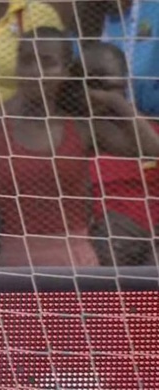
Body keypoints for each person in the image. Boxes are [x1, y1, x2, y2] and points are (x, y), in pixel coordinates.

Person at [0, 27, 159, 268]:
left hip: (81, 269)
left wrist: (114, 100)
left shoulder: (81, 128)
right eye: (26, 61)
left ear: (66, 71)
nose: (35, 72)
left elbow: (152, 149)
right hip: (13, 272)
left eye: (48, 63)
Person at [78, 42, 159, 266]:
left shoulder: (150, 131)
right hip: (107, 237)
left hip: (155, 234)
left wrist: (118, 104)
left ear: (125, 83)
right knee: (111, 237)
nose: (95, 94)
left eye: (104, 85)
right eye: (88, 83)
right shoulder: (73, 136)